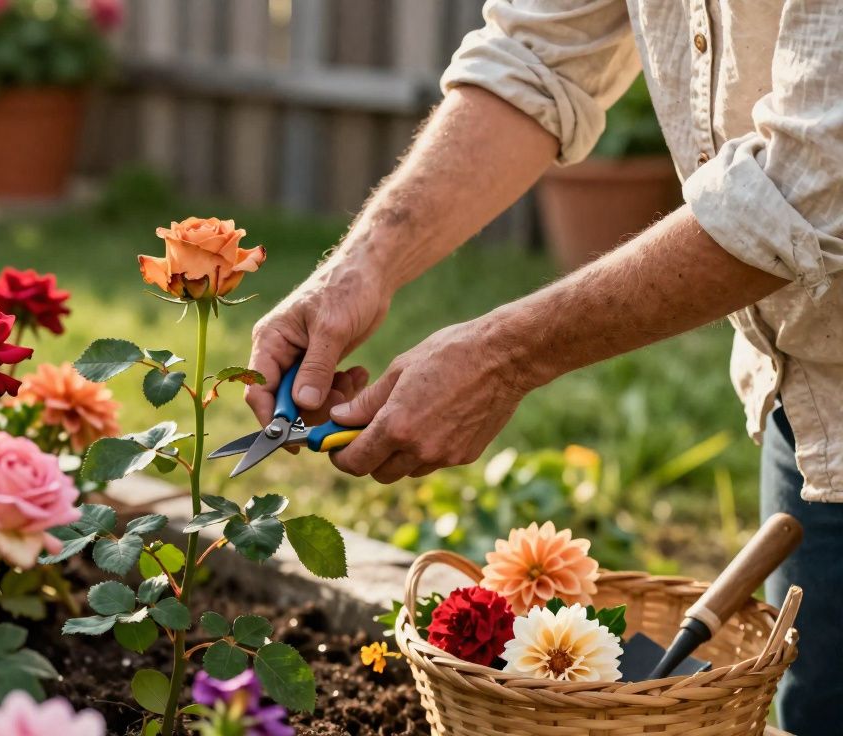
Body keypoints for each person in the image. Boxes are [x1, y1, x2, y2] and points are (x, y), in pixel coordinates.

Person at [244, 2, 843, 733]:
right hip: (815, 407)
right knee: (819, 707)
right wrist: (359, 267)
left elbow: (811, 182)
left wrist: (501, 357)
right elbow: (537, 53)